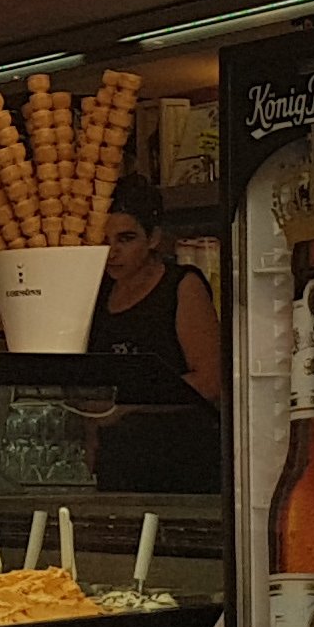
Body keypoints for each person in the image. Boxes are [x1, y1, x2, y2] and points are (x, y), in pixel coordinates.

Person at [87, 174, 222, 492]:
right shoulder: (96, 293)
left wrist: (126, 405)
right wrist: (91, 434)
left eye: (126, 238)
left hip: (182, 462)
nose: (112, 252)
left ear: (153, 238)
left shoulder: (181, 286)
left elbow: (210, 381)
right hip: (119, 465)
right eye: (104, 241)